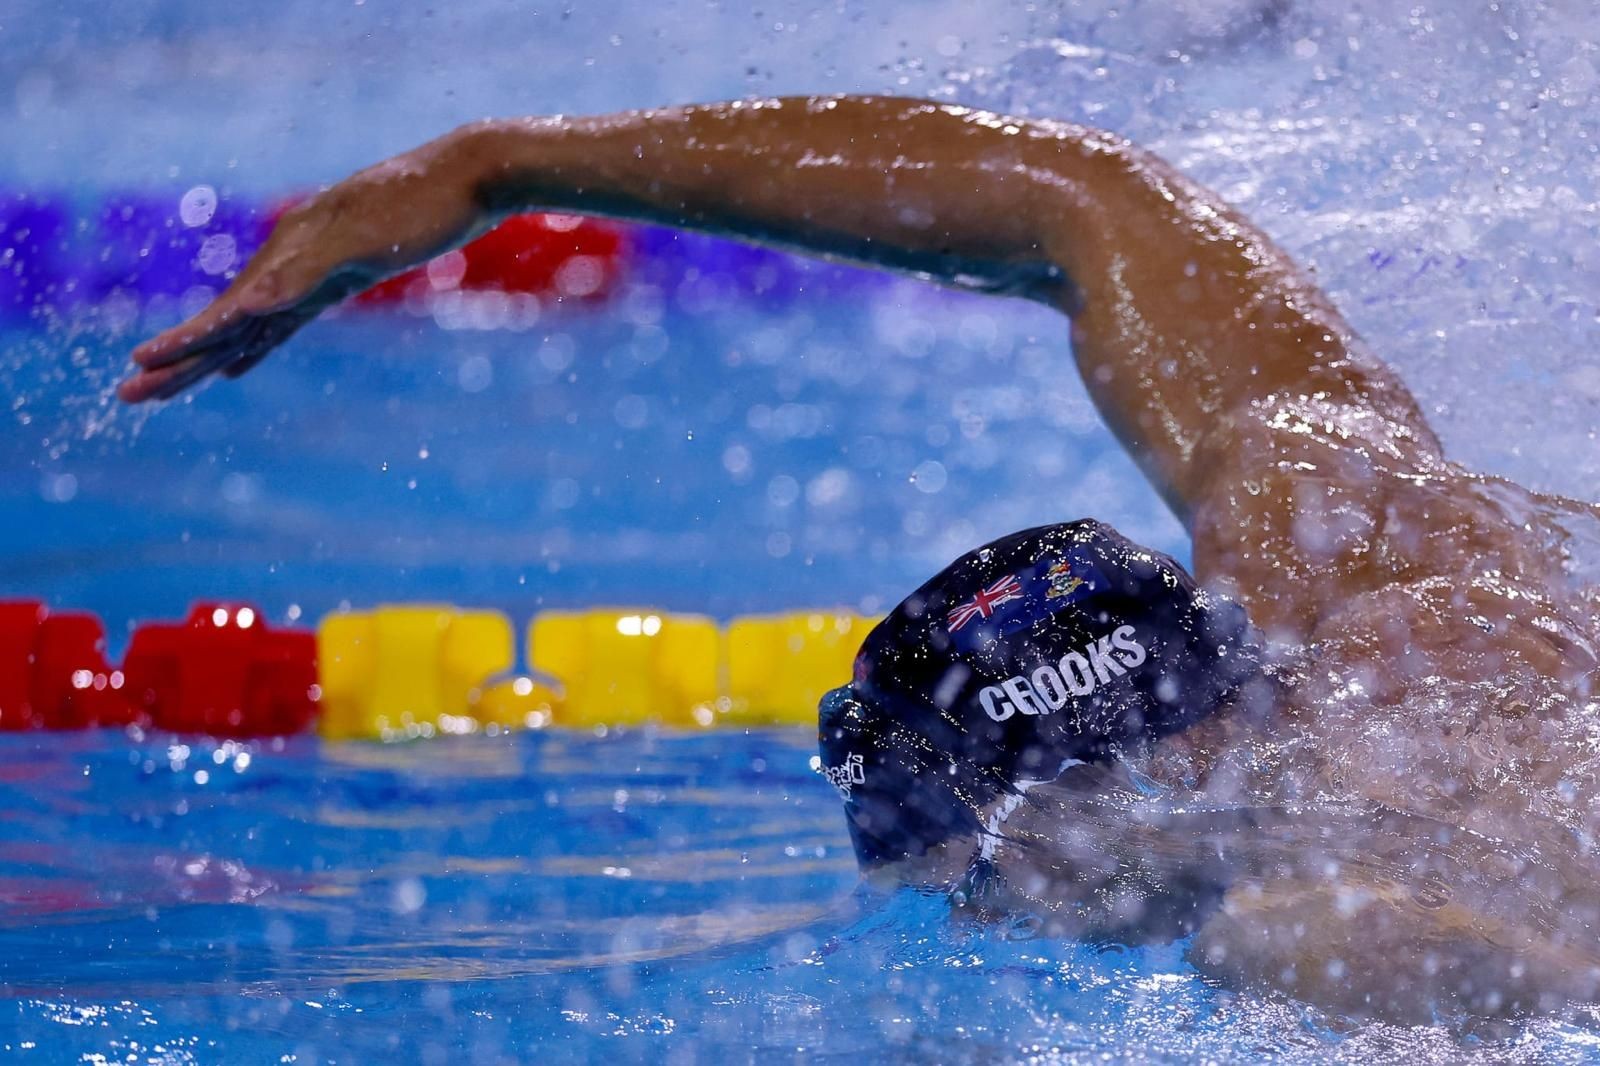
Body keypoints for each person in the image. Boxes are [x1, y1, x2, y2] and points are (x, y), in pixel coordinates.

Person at [121, 96, 1600, 1022]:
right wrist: (504, 162)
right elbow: (1085, 208)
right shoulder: (1333, 514)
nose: (974, 917)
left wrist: (1318, 951)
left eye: (977, 880)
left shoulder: (1345, 857)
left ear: (1089, 815)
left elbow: (1412, 948)